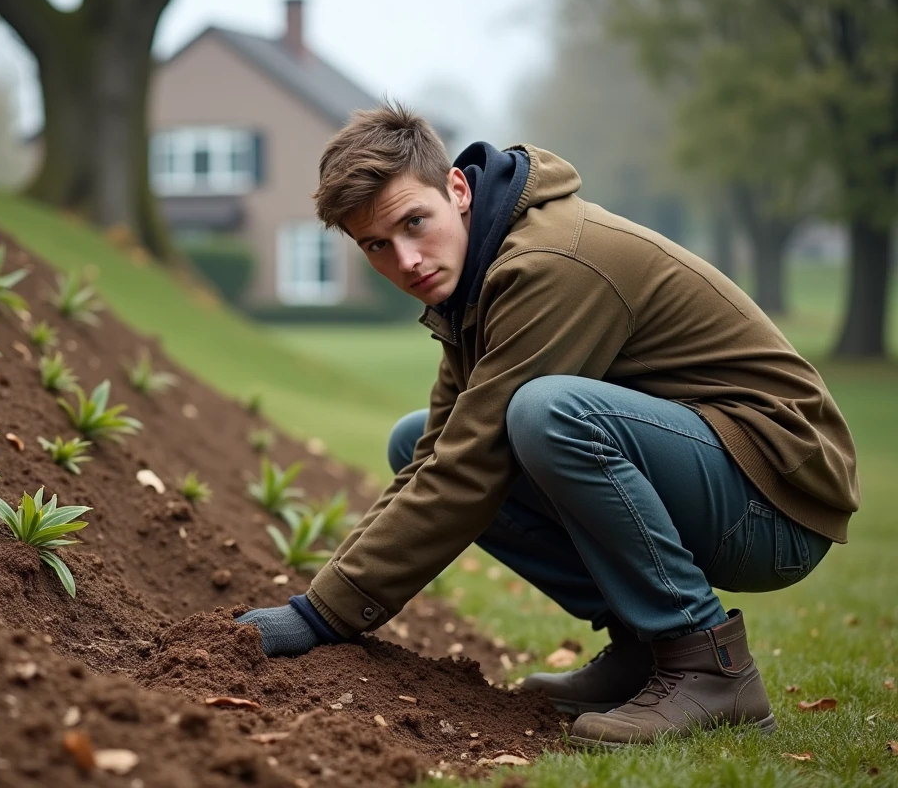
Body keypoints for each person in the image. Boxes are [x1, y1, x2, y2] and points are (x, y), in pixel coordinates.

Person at [235, 102, 858, 748]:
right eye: (377, 247)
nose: (408, 260)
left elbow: (473, 466)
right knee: (413, 438)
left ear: (457, 189)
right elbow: (436, 458)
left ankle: (707, 663)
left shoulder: (549, 264)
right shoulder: (472, 279)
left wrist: (321, 616)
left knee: (546, 414)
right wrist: (319, 605)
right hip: (723, 473)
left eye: (414, 223)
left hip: (777, 495)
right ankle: (643, 649)